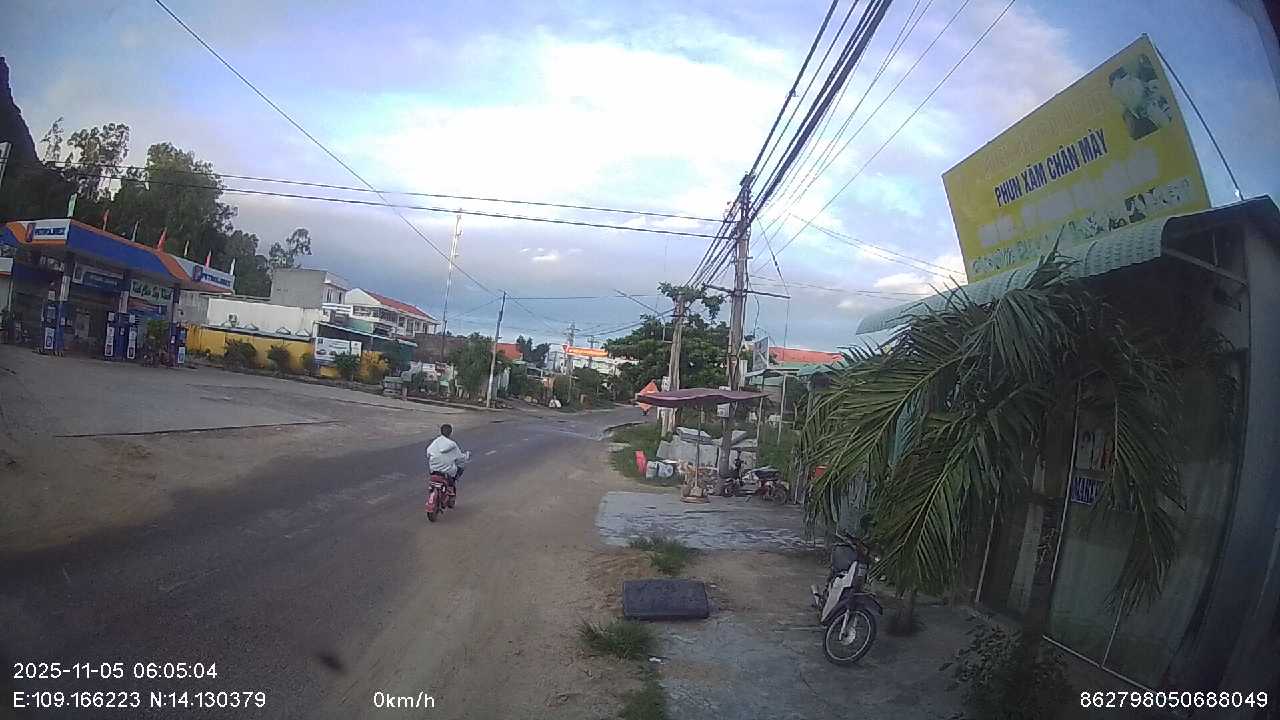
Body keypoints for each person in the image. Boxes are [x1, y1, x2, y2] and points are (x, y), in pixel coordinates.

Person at [426, 423, 470, 497]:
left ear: (441, 431)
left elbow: (428, 454)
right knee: (461, 467)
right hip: (448, 472)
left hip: (434, 471)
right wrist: (466, 456)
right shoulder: (452, 444)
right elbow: (460, 458)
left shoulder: (435, 443)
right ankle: (452, 484)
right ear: (451, 432)